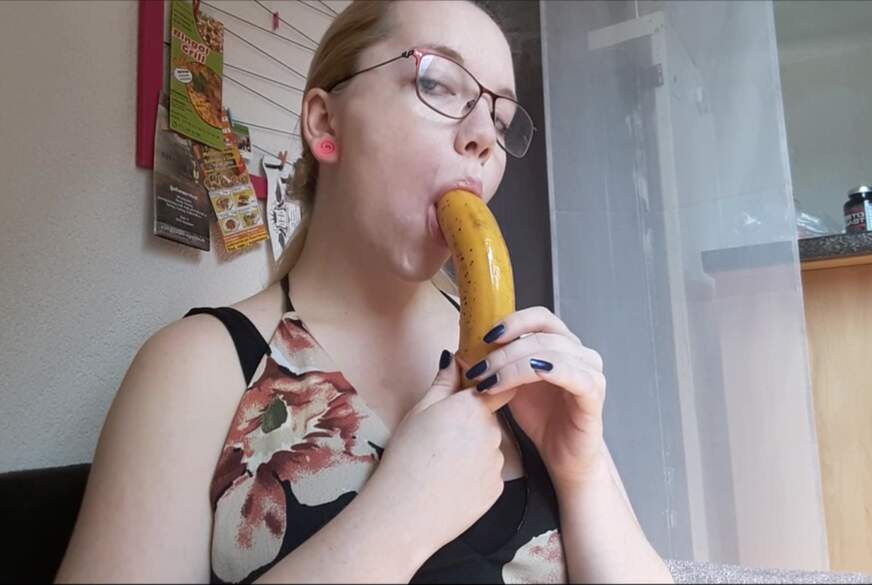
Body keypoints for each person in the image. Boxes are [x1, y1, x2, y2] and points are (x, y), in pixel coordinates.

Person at [56, 1, 673, 583]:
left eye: (501, 119)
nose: (484, 136)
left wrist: (582, 469)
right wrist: (399, 519)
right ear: (326, 123)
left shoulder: (514, 359)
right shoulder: (197, 368)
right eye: (438, 84)